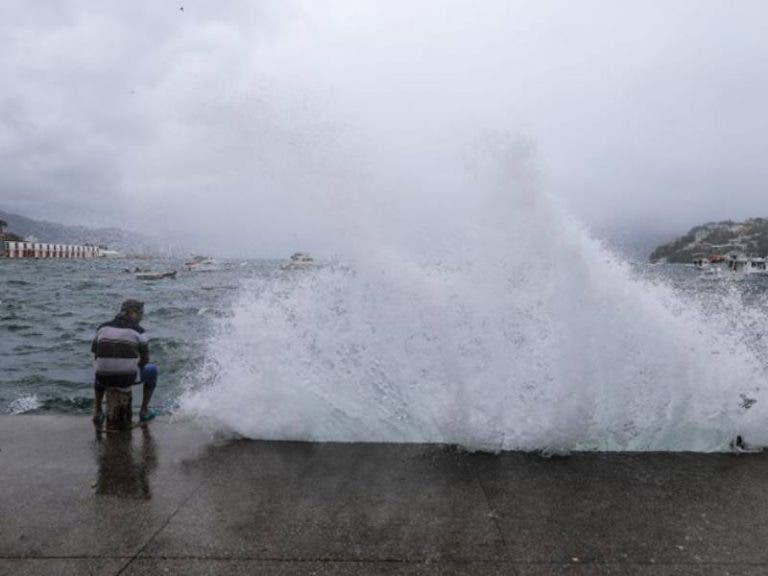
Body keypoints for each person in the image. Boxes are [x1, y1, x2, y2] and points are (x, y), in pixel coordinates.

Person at [92, 299, 158, 424]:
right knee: (152, 370)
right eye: (140, 313)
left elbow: (96, 353)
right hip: (127, 379)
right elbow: (145, 360)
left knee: (100, 368)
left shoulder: (102, 328)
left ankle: (98, 411)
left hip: (102, 379)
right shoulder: (140, 331)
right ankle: (144, 411)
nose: (141, 317)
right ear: (132, 312)